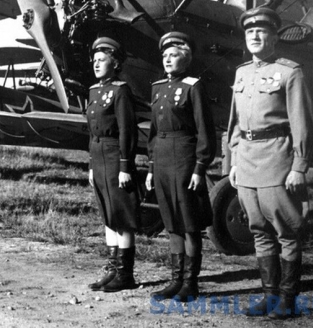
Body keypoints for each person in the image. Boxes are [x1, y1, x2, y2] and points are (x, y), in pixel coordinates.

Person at [227, 7, 313, 319]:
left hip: (278, 159)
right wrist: (234, 160)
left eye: (261, 31)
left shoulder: (290, 72)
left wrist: (299, 166)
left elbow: (303, 123)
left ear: (275, 37)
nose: (254, 35)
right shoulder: (241, 73)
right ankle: (269, 294)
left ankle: (288, 299)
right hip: (248, 161)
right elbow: (236, 124)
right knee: (258, 231)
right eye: (249, 31)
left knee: (287, 231)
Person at [145, 32, 216, 302]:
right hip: (162, 158)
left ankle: (190, 283)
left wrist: (200, 167)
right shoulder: (158, 87)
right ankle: (175, 280)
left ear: (186, 58)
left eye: (173, 55)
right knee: (171, 222)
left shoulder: (193, 87)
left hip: (185, 158)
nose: (167, 60)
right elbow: (153, 132)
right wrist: (151, 168)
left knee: (189, 222)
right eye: (164, 56)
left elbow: (204, 131)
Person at [86, 37, 139, 293]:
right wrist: (90, 166)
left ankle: (125, 274)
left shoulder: (121, 91)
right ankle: (112, 269)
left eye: (102, 59)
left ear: (114, 61)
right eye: (94, 60)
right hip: (98, 157)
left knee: (122, 217)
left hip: (114, 156)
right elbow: (91, 132)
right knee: (108, 215)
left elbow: (127, 132)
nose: (96, 64)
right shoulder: (94, 91)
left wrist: (125, 166)